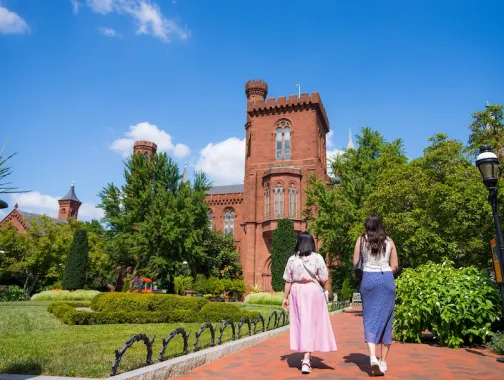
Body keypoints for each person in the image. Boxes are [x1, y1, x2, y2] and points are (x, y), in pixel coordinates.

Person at [282, 231, 337, 374]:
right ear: (311, 242)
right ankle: (306, 359)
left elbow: (288, 280)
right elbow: (324, 278)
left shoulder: (292, 259)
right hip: (313, 291)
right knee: (310, 324)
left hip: (297, 291)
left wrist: (285, 298)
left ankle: (306, 357)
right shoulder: (317, 258)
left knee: (302, 324)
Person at [353, 214, 398, 376]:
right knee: (387, 319)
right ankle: (383, 362)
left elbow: (355, 262)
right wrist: (384, 273)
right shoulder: (389, 241)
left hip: (369, 280)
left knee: (370, 318)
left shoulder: (361, 239)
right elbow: (395, 265)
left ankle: (372, 357)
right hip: (386, 278)